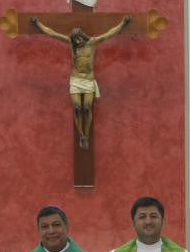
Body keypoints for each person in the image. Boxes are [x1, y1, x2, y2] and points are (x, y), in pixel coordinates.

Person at [29, 14, 130, 150]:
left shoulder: (92, 42)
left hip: (88, 80)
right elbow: (52, 33)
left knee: (87, 108)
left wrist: (123, 23)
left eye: (79, 39)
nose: (78, 42)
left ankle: (86, 135)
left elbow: (109, 33)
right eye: (75, 40)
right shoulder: (71, 44)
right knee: (77, 108)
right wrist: (38, 24)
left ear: (83, 36)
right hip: (76, 80)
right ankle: (81, 134)